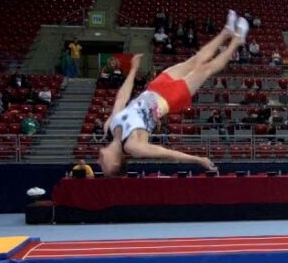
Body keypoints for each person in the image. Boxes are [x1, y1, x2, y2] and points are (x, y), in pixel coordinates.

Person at [98, 12, 248, 176]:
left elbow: (121, 98)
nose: (99, 161)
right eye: (103, 166)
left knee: (194, 61)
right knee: (206, 69)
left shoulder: (109, 128)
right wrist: (197, 159)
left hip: (154, 87)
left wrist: (133, 69)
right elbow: (166, 152)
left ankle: (226, 31)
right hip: (168, 100)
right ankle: (236, 41)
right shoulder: (133, 146)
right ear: (115, 162)